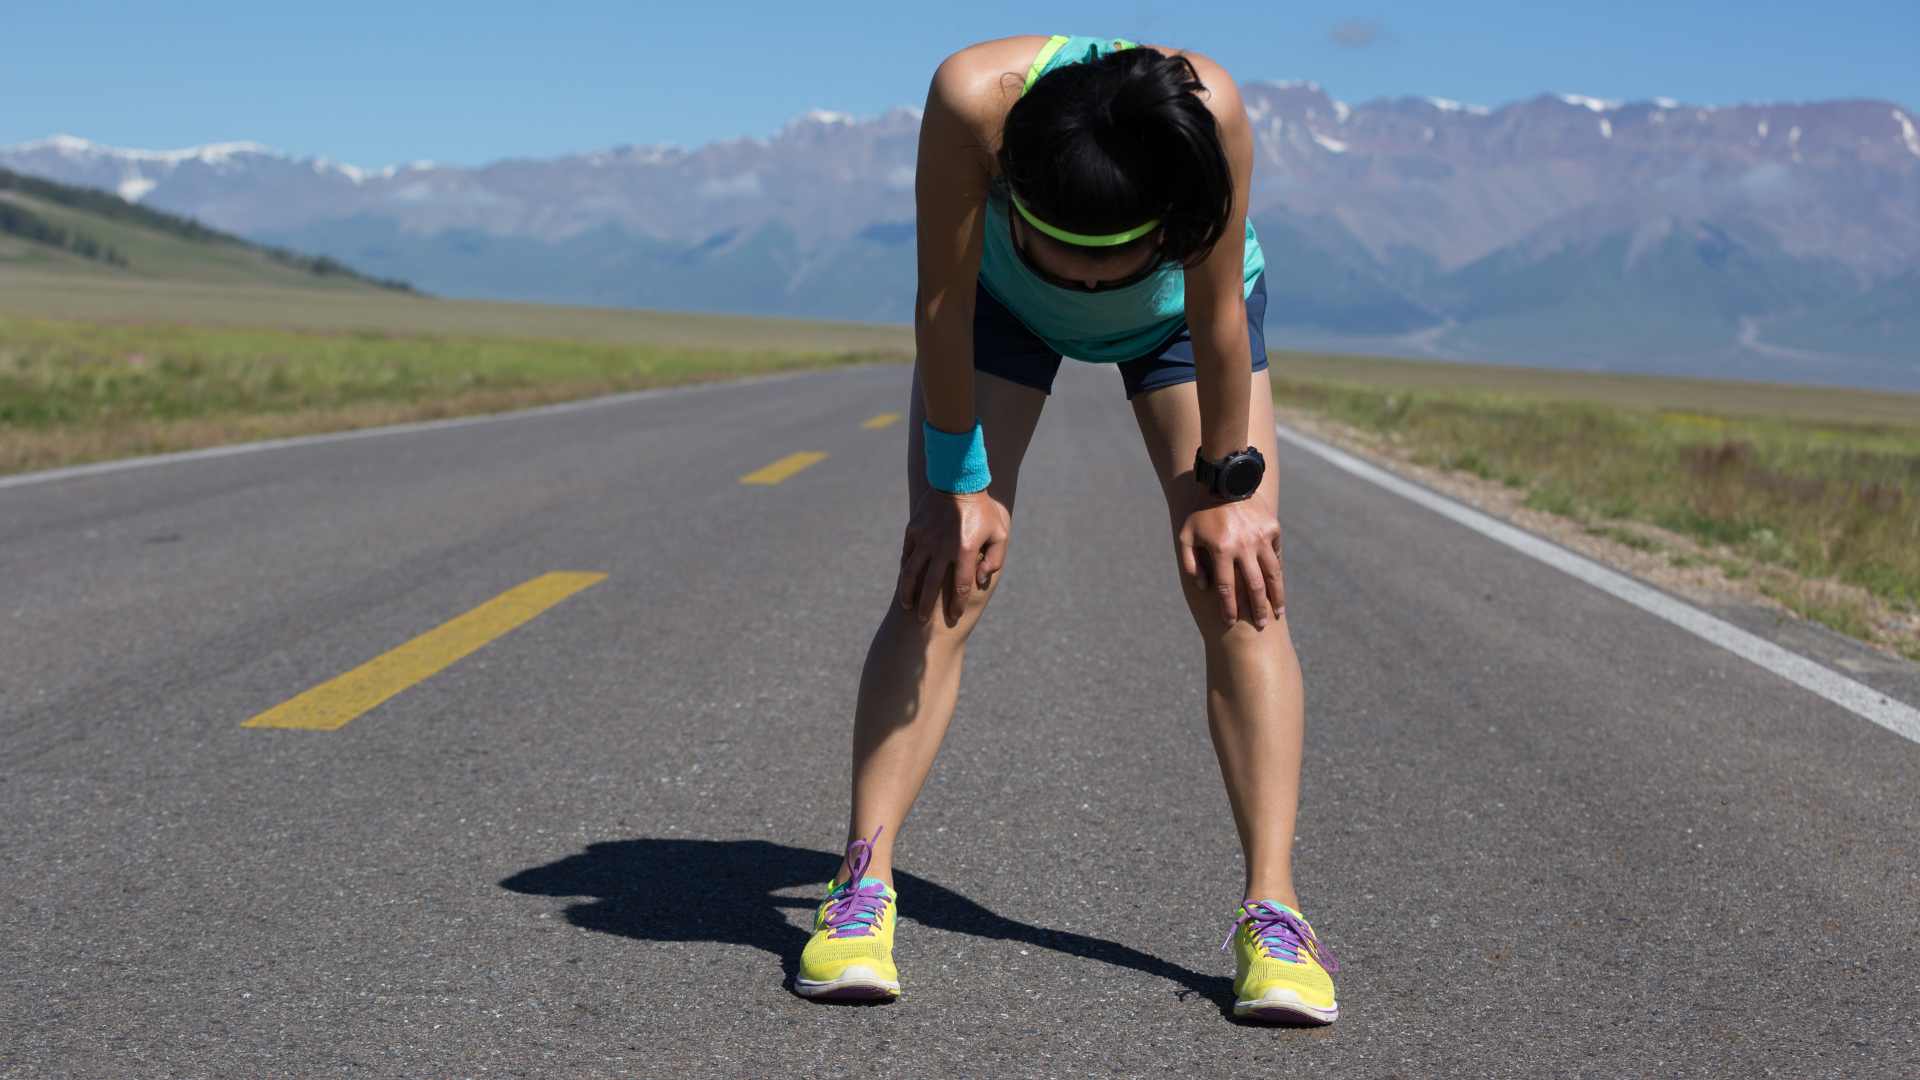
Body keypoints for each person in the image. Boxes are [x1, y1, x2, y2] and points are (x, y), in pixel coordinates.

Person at [792, 33, 1340, 1025]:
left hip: (1180, 320)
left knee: (1240, 583)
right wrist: (958, 488)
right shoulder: (969, 101)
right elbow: (942, 302)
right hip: (997, 309)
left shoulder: (1209, 111)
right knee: (941, 574)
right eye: (1073, 267)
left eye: (1108, 270)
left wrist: (1231, 489)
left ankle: (1276, 914)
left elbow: (1218, 315)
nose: (1089, 293)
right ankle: (859, 889)